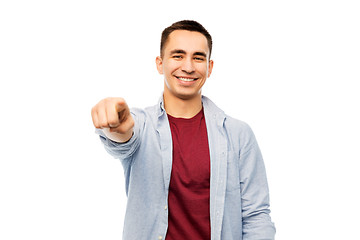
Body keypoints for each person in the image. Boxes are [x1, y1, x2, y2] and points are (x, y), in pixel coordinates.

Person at [91, 20, 275, 240]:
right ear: (160, 64)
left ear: (210, 67)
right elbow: (123, 140)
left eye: (198, 57)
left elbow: (256, 215)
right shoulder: (141, 125)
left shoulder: (238, 134)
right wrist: (114, 129)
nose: (188, 66)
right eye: (178, 55)